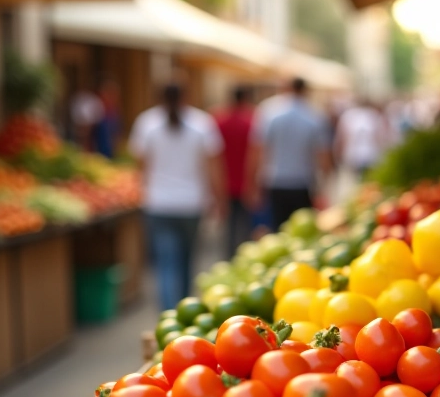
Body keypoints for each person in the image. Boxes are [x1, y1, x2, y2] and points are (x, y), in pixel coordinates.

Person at [130, 83, 228, 311]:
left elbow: (141, 166)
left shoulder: (147, 123)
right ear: (187, 95)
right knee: (187, 261)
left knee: (165, 263)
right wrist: (220, 199)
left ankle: (167, 313)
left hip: (158, 203)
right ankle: (184, 309)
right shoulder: (202, 123)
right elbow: (214, 167)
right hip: (191, 203)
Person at [245, 77, 332, 230]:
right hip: (303, 182)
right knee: (301, 231)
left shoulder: (269, 111)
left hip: (274, 181)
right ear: (305, 91)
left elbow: (258, 150)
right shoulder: (314, 114)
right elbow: (323, 156)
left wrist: (251, 183)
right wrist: (323, 188)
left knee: (277, 230)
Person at [212, 86, 254, 259]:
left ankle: (229, 257)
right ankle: (242, 258)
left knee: (228, 227)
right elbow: (255, 155)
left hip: (224, 182)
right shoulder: (252, 121)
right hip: (246, 182)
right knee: (245, 226)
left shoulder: (218, 120)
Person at [90, 78, 121, 158]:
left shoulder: (114, 112)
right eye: (109, 94)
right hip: (97, 155)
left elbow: (116, 135)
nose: (112, 97)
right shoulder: (96, 111)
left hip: (111, 155)